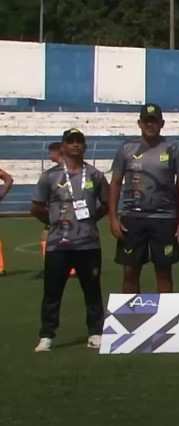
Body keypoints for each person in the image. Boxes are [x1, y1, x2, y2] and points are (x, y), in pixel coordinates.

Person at [30, 129, 109, 352]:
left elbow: (106, 203)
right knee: (52, 292)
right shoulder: (50, 176)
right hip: (58, 245)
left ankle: (95, 332)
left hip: (88, 244)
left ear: (84, 146)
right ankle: (47, 335)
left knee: (92, 290)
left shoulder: (95, 175)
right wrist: (55, 221)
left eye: (79, 142)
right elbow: (36, 206)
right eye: (70, 141)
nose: (75, 145)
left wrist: (91, 219)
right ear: (62, 147)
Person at [107, 103, 179, 293]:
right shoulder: (127, 149)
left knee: (163, 271)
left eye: (154, 121)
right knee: (130, 270)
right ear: (139, 123)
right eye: (146, 121)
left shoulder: (172, 148)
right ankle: (130, 317)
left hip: (164, 218)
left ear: (162, 123)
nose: (150, 125)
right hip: (133, 217)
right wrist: (112, 218)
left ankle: (164, 317)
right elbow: (115, 183)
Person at [41, 142, 64, 265]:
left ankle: (51, 263)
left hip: (60, 210)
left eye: (50, 153)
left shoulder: (55, 173)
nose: (49, 156)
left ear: (57, 152)